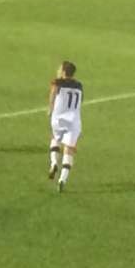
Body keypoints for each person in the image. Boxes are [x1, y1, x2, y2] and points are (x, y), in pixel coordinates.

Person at [48, 61, 82, 192]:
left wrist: (50, 108)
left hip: (59, 118)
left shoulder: (57, 82)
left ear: (63, 72)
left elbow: (52, 95)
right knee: (69, 149)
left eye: (59, 69)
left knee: (55, 138)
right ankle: (62, 179)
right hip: (74, 120)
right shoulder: (79, 85)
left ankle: (54, 163)